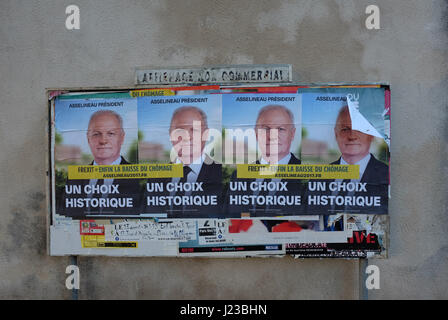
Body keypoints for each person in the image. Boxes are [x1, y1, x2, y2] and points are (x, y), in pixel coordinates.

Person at [315, 106, 389, 228]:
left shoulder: (387, 175)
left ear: (371, 134)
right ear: (336, 133)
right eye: (345, 129)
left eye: (359, 129)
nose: (352, 136)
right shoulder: (318, 178)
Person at [142, 106, 222, 218]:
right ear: (170, 134)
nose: (187, 137)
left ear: (206, 134)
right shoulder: (156, 178)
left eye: (194, 130)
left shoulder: (222, 174)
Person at [226, 105, 304, 217]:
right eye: (266, 129)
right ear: (256, 134)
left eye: (281, 129)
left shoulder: (307, 175)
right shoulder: (238, 175)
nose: (272, 136)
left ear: (292, 134)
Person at [60, 110, 140, 218]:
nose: (103, 140)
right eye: (96, 134)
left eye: (111, 133)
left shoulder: (138, 177)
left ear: (122, 137)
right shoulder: (75, 178)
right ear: (88, 138)